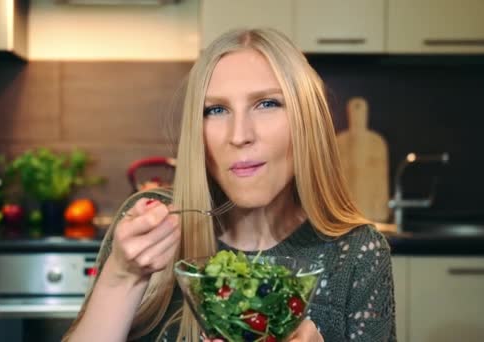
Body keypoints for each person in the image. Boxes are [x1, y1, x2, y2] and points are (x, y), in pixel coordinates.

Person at [63, 28, 396, 342]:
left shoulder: (356, 253)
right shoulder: (149, 232)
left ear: (306, 119)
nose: (239, 136)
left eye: (267, 103)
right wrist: (123, 275)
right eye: (216, 109)